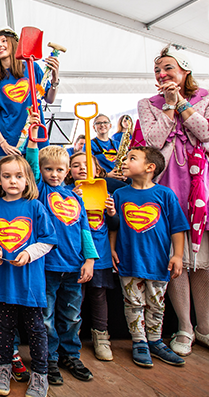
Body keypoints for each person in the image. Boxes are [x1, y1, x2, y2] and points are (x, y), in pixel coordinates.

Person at [138, 45, 209, 357]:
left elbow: (206, 133)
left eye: (168, 68)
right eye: (157, 70)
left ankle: (205, 327)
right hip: (166, 186)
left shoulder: (205, 98)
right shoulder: (147, 104)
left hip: (200, 188)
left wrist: (181, 104)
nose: (161, 74)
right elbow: (153, 142)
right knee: (175, 261)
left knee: (202, 263)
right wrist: (168, 106)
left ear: (185, 70)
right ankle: (185, 327)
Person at [26, 128, 98, 385]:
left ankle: (71, 355)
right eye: (49, 169)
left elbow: (84, 229)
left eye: (59, 170)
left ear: (67, 171)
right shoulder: (40, 192)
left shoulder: (75, 197)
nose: (54, 174)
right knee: (45, 317)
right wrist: (33, 139)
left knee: (71, 316)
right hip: (47, 267)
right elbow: (32, 166)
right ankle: (49, 358)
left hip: (74, 267)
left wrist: (89, 260)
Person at [0, 155, 56, 397]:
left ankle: (40, 374)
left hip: (30, 284)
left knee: (35, 329)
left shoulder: (35, 207)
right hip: (4, 283)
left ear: (27, 180)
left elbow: (48, 240)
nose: (13, 181)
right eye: (7, 176)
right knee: (4, 328)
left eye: (18, 176)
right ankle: (3, 368)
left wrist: (28, 253)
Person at [110, 146, 189, 367]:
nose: (124, 162)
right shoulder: (120, 195)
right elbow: (114, 226)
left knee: (156, 303)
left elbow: (177, 227)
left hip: (158, 262)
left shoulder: (165, 194)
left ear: (149, 167)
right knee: (133, 303)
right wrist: (112, 249)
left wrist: (178, 255)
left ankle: (155, 341)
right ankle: (139, 342)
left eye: (132, 158)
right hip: (129, 260)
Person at [65, 152, 118, 361]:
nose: (82, 168)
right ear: (69, 171)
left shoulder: (105, 193)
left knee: (98, 295)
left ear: (98, 170)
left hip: (100, 255)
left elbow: (114, 226)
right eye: (76, 165)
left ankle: (101, 337)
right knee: (74, 298)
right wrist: (72, 199)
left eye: (87, 164)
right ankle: (71, 338)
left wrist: (112, 214)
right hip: (75, 255)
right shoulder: (65, 193)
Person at [0, 26, 60, 158]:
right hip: (8, 144)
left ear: (13, 43)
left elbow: (49, 99)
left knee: (36, 171)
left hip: (36, 137)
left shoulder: (32, 67)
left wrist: (54, 78)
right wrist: (2, 143)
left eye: (4, 41)